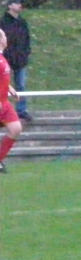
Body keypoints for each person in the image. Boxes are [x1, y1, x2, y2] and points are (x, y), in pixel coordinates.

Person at [1, 0, 31, 122]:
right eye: (17, 3)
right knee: (3, 84)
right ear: (10, 6)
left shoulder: (22, 22)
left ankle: (21, 110)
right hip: (6, 59)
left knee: (21, 85)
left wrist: (25, 53)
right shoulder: (3, 22)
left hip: (20, 59)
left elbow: (26, 39)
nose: (20, 5)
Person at [0, 30, 24, 173]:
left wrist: (8, 87)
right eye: (3, 36)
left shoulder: (2, 57)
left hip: (4, 102)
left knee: (16, 129)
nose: (6, 38)